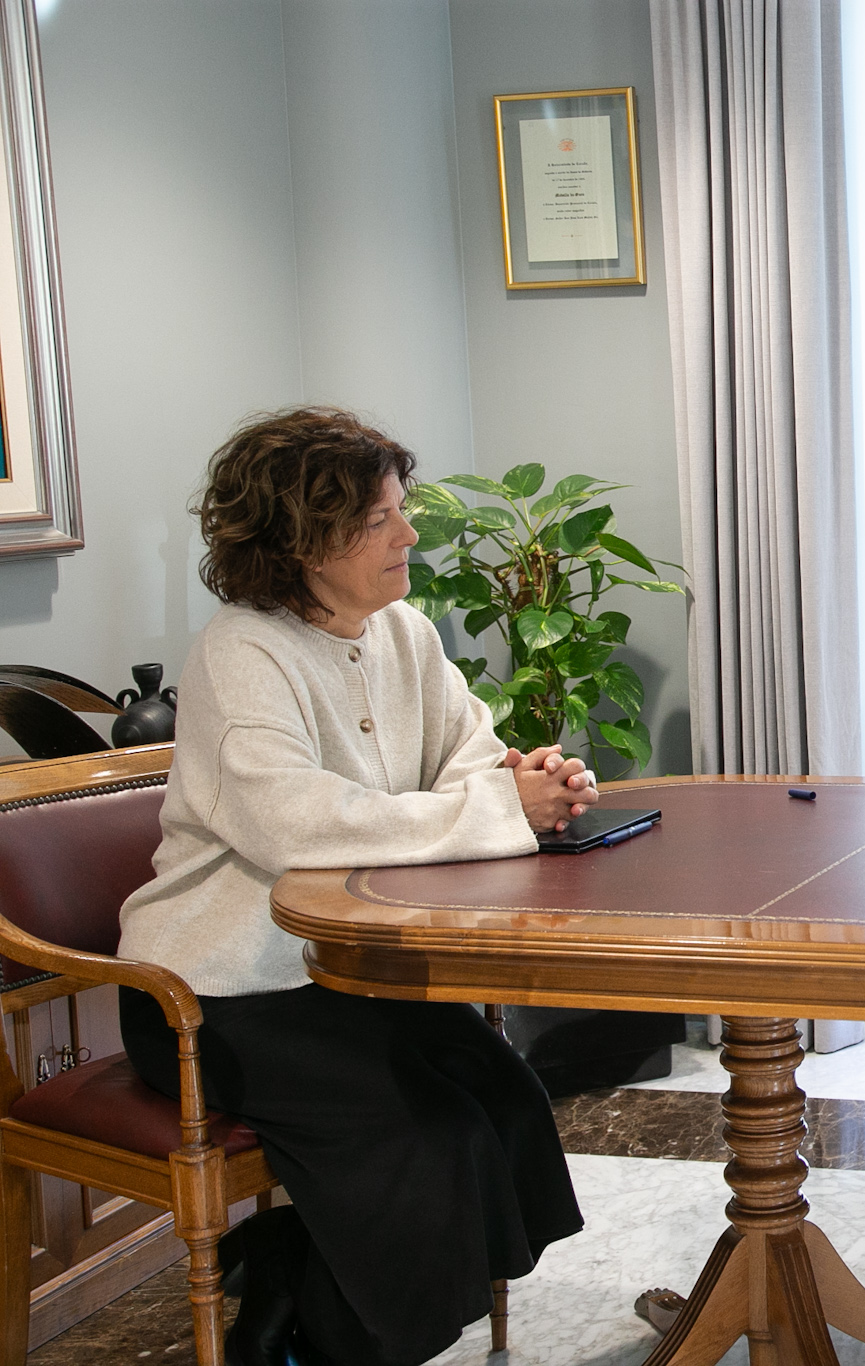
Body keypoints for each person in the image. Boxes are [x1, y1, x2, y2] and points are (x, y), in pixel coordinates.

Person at [117, 408, 597, 1366]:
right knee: (422, 1137)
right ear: (304, 539)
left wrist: (519, 782)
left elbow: (463, 753)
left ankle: (292, 1266)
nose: (409, 533)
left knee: (502, 1096)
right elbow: (291, 823)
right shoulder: (241, 653)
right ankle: (331, 1340)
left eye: (400, 510)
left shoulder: (403, 631)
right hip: (215, 994)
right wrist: (497, 810)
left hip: (343, 971)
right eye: (380, 519)